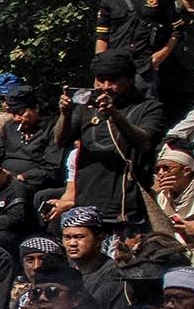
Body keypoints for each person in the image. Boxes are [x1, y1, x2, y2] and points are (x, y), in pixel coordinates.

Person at [47, 54, 166, 232]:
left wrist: (114, 114)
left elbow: (145, 143)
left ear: (130, 79)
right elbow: (60, 140)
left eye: (113, 81)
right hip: (87, 200)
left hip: (125, 205)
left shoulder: (149, 107)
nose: (105, 87)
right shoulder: (85, 107)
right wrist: (66, 113)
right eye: (100, 80)